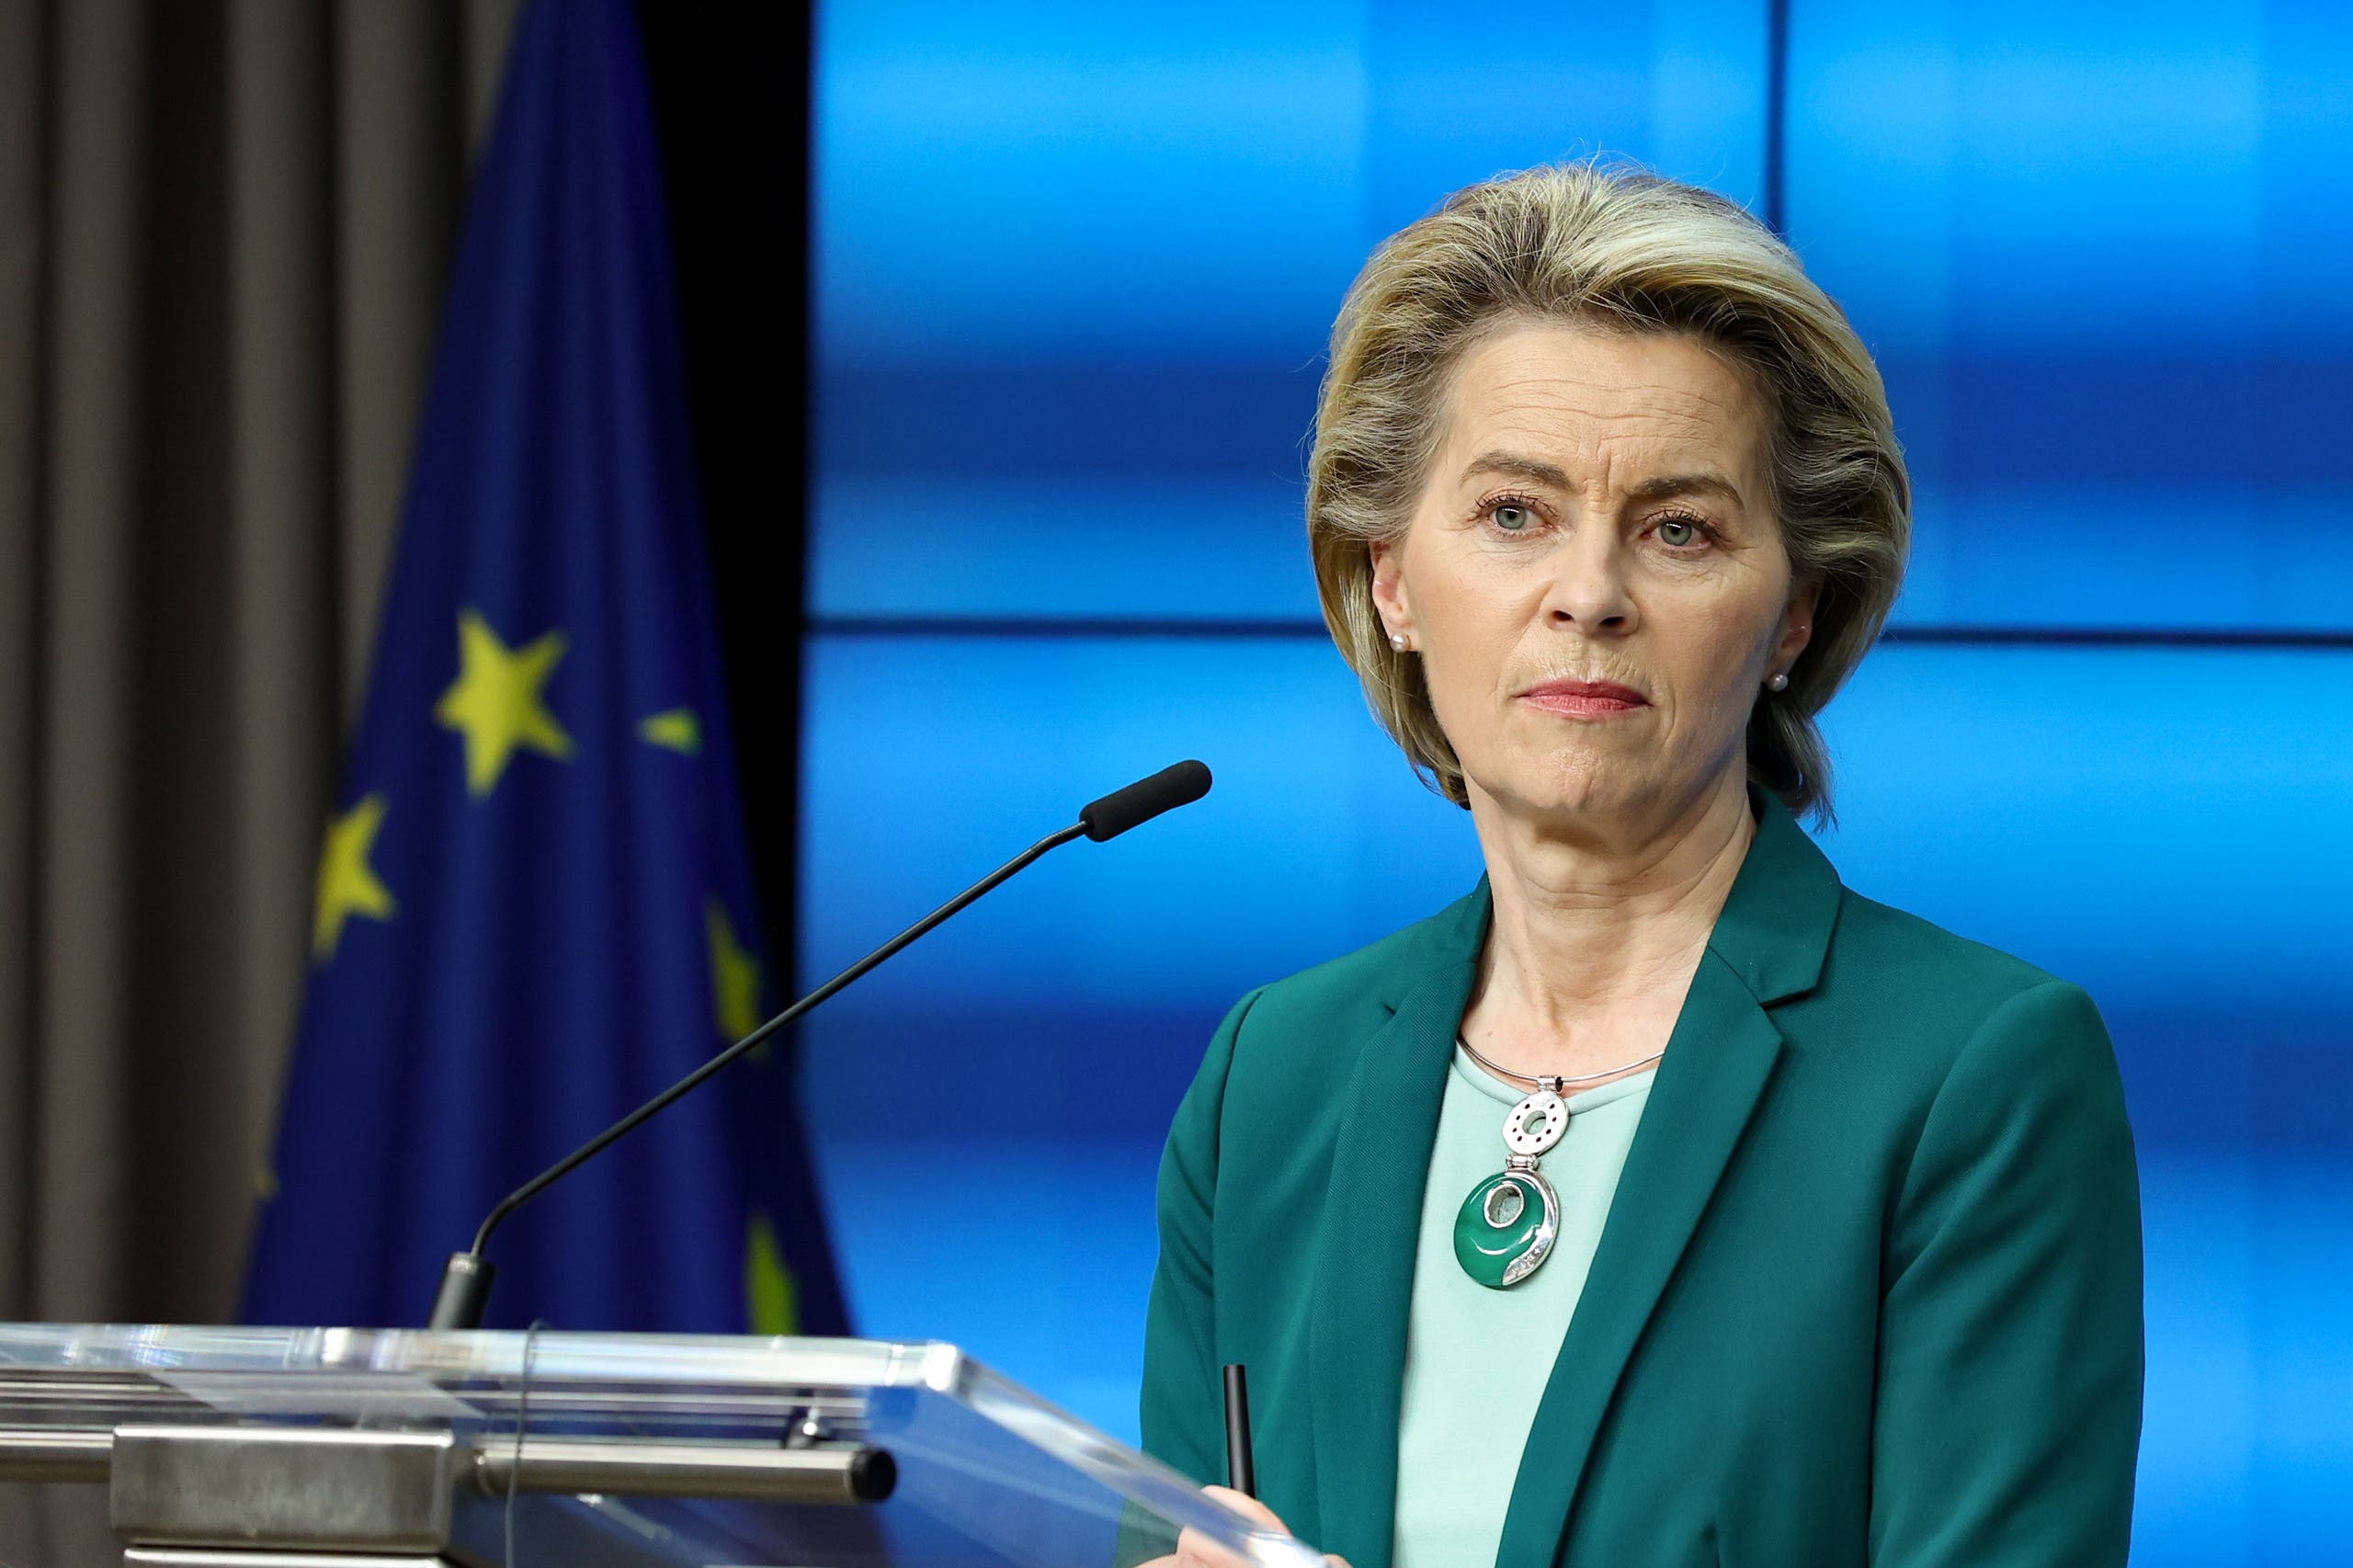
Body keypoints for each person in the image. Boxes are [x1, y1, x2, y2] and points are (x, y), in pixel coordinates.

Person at [1135, 160, 2143, 1568]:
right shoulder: (1272, 1075)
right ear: (1390, 577)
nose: (1591, 593)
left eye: (1680, 528)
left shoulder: (1975, 1074)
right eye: (1512, 514)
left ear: (1794, 610)